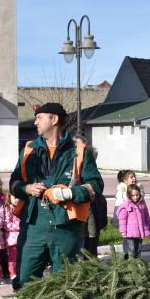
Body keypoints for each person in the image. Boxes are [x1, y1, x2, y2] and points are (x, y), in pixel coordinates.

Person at [9, 103, 104, 287]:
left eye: (39, 117)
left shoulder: (79, 151)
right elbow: (14, 183)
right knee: (25, 280)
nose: (35, 122)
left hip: (66, 227)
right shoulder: (29, 150)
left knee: (66, 284)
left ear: (54, 119)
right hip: (33, 226)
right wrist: (27, 189)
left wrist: (68, 193)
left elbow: (96, 185)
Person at [116, 184, 150, 260]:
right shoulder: (126, 206)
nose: (135, 197)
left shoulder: (142, 203)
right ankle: (131, 263)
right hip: (130, 233)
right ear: (129, 195)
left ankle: (138, 263)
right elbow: (122, 220)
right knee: (132, 249)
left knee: (138, 249)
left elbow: (146, 216)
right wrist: (123, 231)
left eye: (137, 195)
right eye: (133, 195)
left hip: (140, 231)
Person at [0, 193, 22, 279]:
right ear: (9, 197)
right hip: (12, 238)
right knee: (12, 256)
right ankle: (12, 273)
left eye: (19, 198)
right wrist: (19, 227)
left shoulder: (21, 207)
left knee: (20, 255)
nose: (17, 200)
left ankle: (19, 271)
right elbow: (7, 224)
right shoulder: (8, 209)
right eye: (15, 197)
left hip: (21, 236)